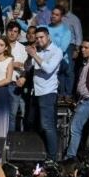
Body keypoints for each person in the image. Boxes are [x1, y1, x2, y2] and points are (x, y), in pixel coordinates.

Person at [26, 27, 62, 161]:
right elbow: (27, 68)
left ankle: (52, 158)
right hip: (35, 92)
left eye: (42, 37)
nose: (39, 40)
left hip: (47, 93)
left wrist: (34, 55)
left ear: (48, 37)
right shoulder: (38, 51)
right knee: (34, 124)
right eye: (37, 38)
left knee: (48, 126)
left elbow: (48, 68)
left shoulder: (56, 51)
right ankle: (37, 154)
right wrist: (30, 56)